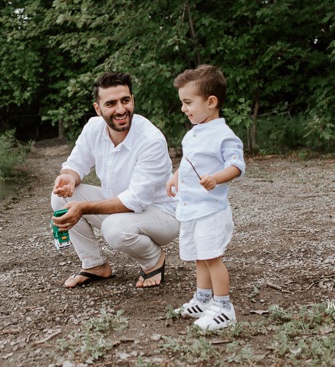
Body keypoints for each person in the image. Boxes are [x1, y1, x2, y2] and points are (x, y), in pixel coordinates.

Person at [51, 71, 179, 288]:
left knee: (114, 229)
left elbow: (134, 201)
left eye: (125, 100)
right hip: (120, 205)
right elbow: (75, 164)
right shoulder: (93, 128)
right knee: (61, 199)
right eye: (111, 103)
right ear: (98, 109)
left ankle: (153, 260)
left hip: (162, 214)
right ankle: (94, 265)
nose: (121, 109)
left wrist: (83, 208)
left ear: (132, 100)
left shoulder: (151, 140)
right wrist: (68, 178)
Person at [165, 64, 245, 331]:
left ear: (211, 102)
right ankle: (202, 299)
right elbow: (189, 162)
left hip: (211, 209)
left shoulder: (224, 135)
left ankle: (224, 307)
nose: (183, 108)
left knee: (212, 257)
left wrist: (217, 178)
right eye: (182, 102)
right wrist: (176, 176)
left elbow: (236, 165)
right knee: (200, 256)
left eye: (188, 102)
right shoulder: (193, 133)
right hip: (192, 208)